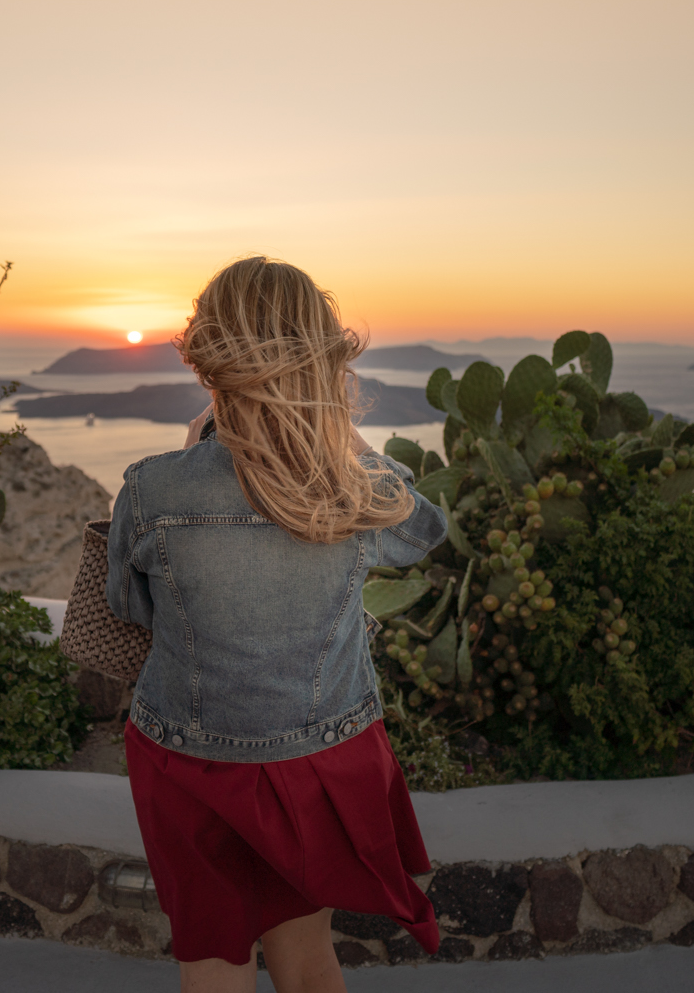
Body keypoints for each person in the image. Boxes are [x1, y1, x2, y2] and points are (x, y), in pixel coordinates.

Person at [106, 257, 448, 993]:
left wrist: (199, 449)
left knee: (212, 957)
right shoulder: (353, 491)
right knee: (306, 958)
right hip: (318, 761)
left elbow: (131, 609)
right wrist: (338, 437)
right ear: (322, 358)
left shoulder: (152, 487)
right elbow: (425, 531)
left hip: (186, 759)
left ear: (209, 359)